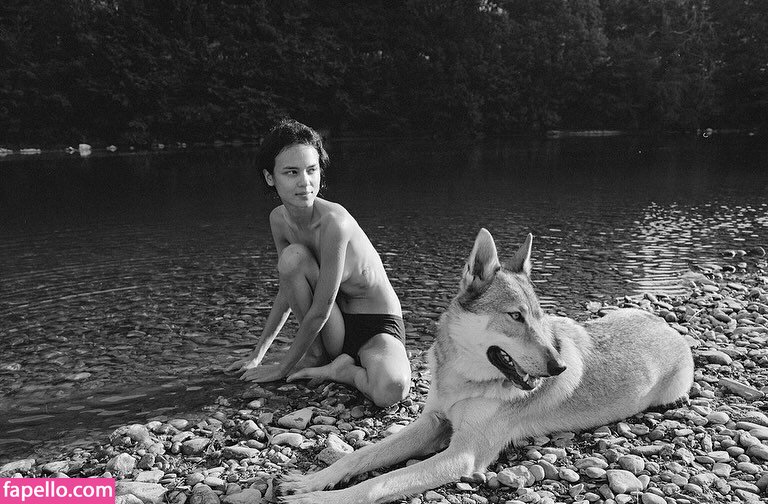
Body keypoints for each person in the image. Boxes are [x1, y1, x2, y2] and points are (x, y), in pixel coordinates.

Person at [226, 119, 411, 408]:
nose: (305, 182)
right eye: (291, 172)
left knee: (392, 390)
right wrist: (257, 354)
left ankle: (343, 371)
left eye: (312, 170)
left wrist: (282, 368)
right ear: (270, 177)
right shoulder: (279, 220)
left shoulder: (334, 223)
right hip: (334, 330)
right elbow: (288, 287)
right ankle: (317, 356)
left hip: (376, 326)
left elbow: (321, 308)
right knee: (292, 258)